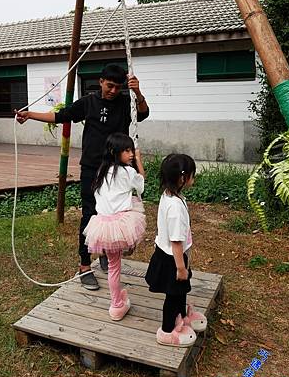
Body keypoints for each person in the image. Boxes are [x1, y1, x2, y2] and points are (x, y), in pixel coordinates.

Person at [15, 63, 149, 290]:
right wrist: (30, 115)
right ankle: (85, 265)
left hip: (116, 170)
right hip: (91, 169)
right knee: (90, 214)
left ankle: (107, 253)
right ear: (100, 81)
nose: (113, 91)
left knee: (115, 214)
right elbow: (61, 116)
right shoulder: (89, 103)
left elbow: (143, 113)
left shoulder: (126, 102)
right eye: (110, 86)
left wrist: (137, 92)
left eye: (118, 87)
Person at [145, 153, 207, 346]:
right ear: (182, 178)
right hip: (173, 259)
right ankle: (166, 331)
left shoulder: (170, 195)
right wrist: (181, 268)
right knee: (172, 296)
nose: (193, 178)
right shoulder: (175, 208)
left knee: (180, 291)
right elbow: (176, 242)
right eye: (192, 175)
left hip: (174, 257)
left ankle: (182, 317)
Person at [83, 133, 146, 320]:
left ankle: (117, 300)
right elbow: (141, 185)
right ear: (114, 152)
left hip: (103, 223)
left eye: (131, 150)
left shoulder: (103, 171)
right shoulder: (128, 172)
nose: (131, 154)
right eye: (127, 151)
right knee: (115, 266)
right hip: (120, 224)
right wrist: (139, 162)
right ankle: (117, 305)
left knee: (113, 266)